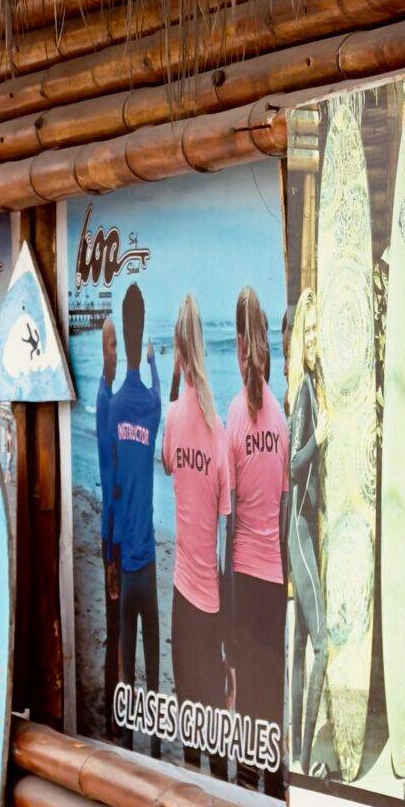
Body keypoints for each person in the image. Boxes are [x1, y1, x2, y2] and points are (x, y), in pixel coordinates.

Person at [219, 285, 289, 796]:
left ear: (241, 346)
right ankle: (274, 777)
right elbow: (282, 509)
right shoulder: (282, 417)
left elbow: (230, 511)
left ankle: (247, 777)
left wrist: (222, 589)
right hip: (274, 575)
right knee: (271, 682)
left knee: (244, 682)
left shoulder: (233, 415)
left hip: (243, 570)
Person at [163, 291, 232, 775]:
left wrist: (175, 381)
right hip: (213, 595)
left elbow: (168, 463)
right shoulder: (220, 431)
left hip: (184, 592)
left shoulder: (172, 419)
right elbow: (226, 519)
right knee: (215, 706)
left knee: (189, 705)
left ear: (179, 354)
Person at [99, 283, 161, 754]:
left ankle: (124, 733)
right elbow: (161, 393)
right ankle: (157, 741)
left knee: (124, 648)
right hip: (147, 556)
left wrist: (109, 555)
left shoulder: (116, 406)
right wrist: (158, 364)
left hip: (123, 551)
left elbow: (111, 488)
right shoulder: (152, 405)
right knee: (152, 650)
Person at [283, 290, 329, 780]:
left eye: (319, 331)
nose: (315, 339)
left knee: (298, 648)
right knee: (325, 642)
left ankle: (296, 755)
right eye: (309, 332)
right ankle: (304, 755)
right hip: (297, 527)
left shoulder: (310, 385)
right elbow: (294, 468)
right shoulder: (304, 394)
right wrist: (322, 436)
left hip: (300, 527)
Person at [95, 311, 121, 725]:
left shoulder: (111, 395)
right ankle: (114, 705)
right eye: (114, 345)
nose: (118, 352)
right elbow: (109, 473)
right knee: (116, 620)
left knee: (118, 619)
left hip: (116, 526)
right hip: (112, 529)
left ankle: (114, 698)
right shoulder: (105, 399)